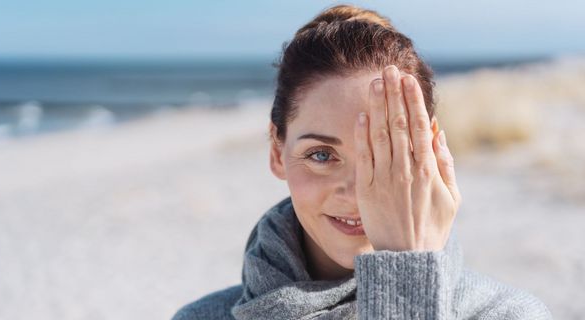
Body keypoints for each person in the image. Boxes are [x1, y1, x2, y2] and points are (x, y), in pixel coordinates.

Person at [172, 5, 551, 319]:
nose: (359, 191)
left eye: (383, 154)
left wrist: (406, 265)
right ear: (277, 152)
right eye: (321, 155)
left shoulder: (506, 313)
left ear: (430, 153)